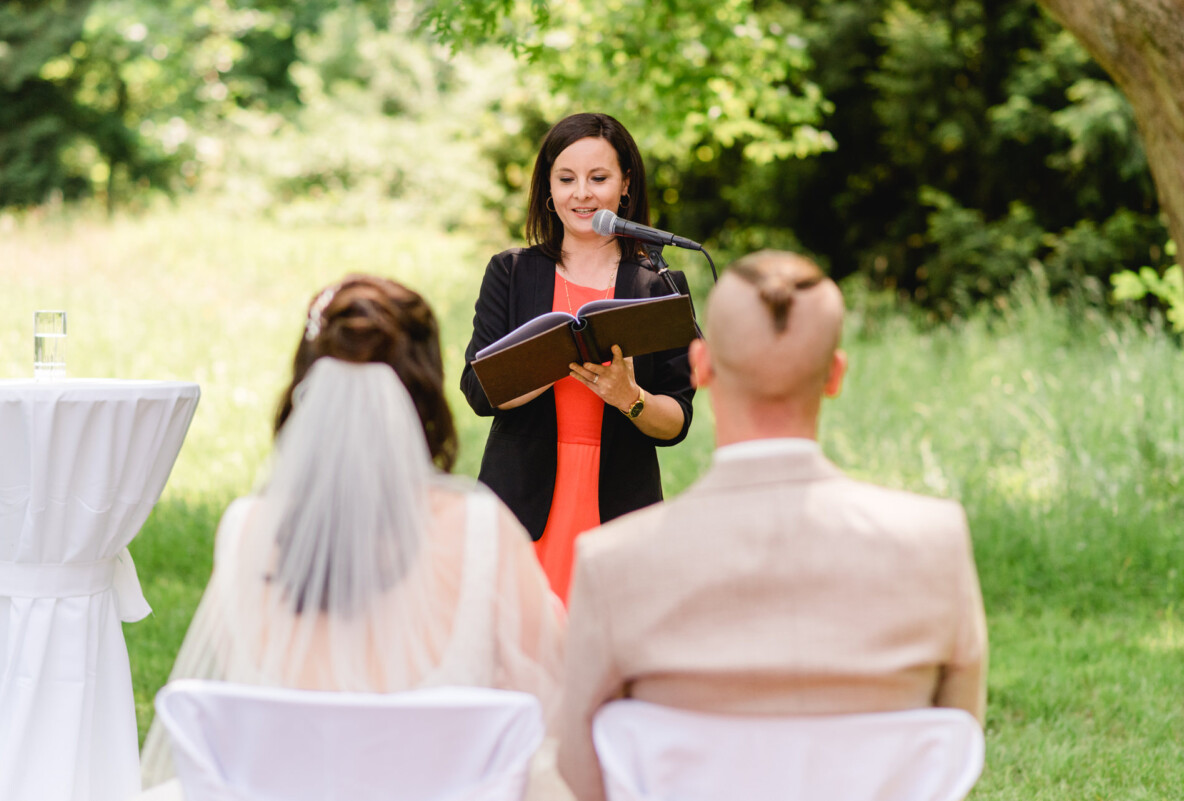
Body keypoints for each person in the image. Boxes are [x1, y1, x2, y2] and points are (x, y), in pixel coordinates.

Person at [556, 250, 989, 801]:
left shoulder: (614, 561)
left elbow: (580, 774)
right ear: (835, 375)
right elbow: (955, 752)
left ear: (701, 367)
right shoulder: (935, 542)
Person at [140, 275, 565, 793]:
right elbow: (552, 708)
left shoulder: (246, 529)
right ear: (427, 396)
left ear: (306, 389)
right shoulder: (482, 532)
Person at [461, 112, 696, 604]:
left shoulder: (659, 287)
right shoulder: (510, 271)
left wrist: (629, 398)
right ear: (548, 188)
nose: (582, 194)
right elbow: (480, 391)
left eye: (599, 178)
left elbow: (677, 422)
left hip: (617, 502)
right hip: (522, 501)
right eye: (566, 179)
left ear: (625, 185)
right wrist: (553, 358)